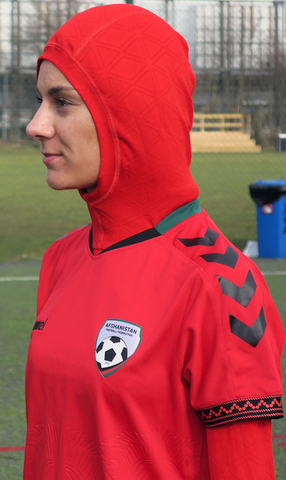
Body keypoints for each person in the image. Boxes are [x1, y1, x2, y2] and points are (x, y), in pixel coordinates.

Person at [23, 4, 284, 479]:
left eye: (61, 102)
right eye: (39, 101)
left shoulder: (219, 284)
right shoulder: (61, 259)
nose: (36, 125)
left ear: (127, 114)